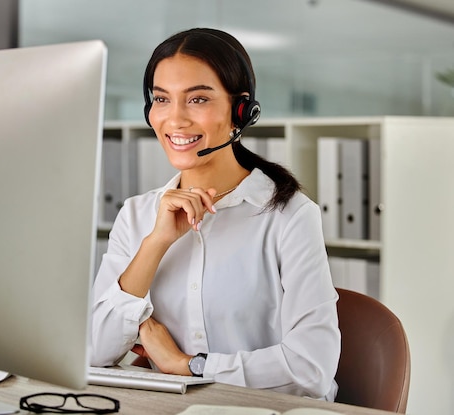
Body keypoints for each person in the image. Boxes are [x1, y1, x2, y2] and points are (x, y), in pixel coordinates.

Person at [90, 27, 340, 401]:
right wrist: (156, 243)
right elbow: (93, 350)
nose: (174, 120)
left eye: (198, 100)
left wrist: (189, 366)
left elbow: (311, 369)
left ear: (241, 110)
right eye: (161, 99)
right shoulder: (138, 214)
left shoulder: (289, 216)